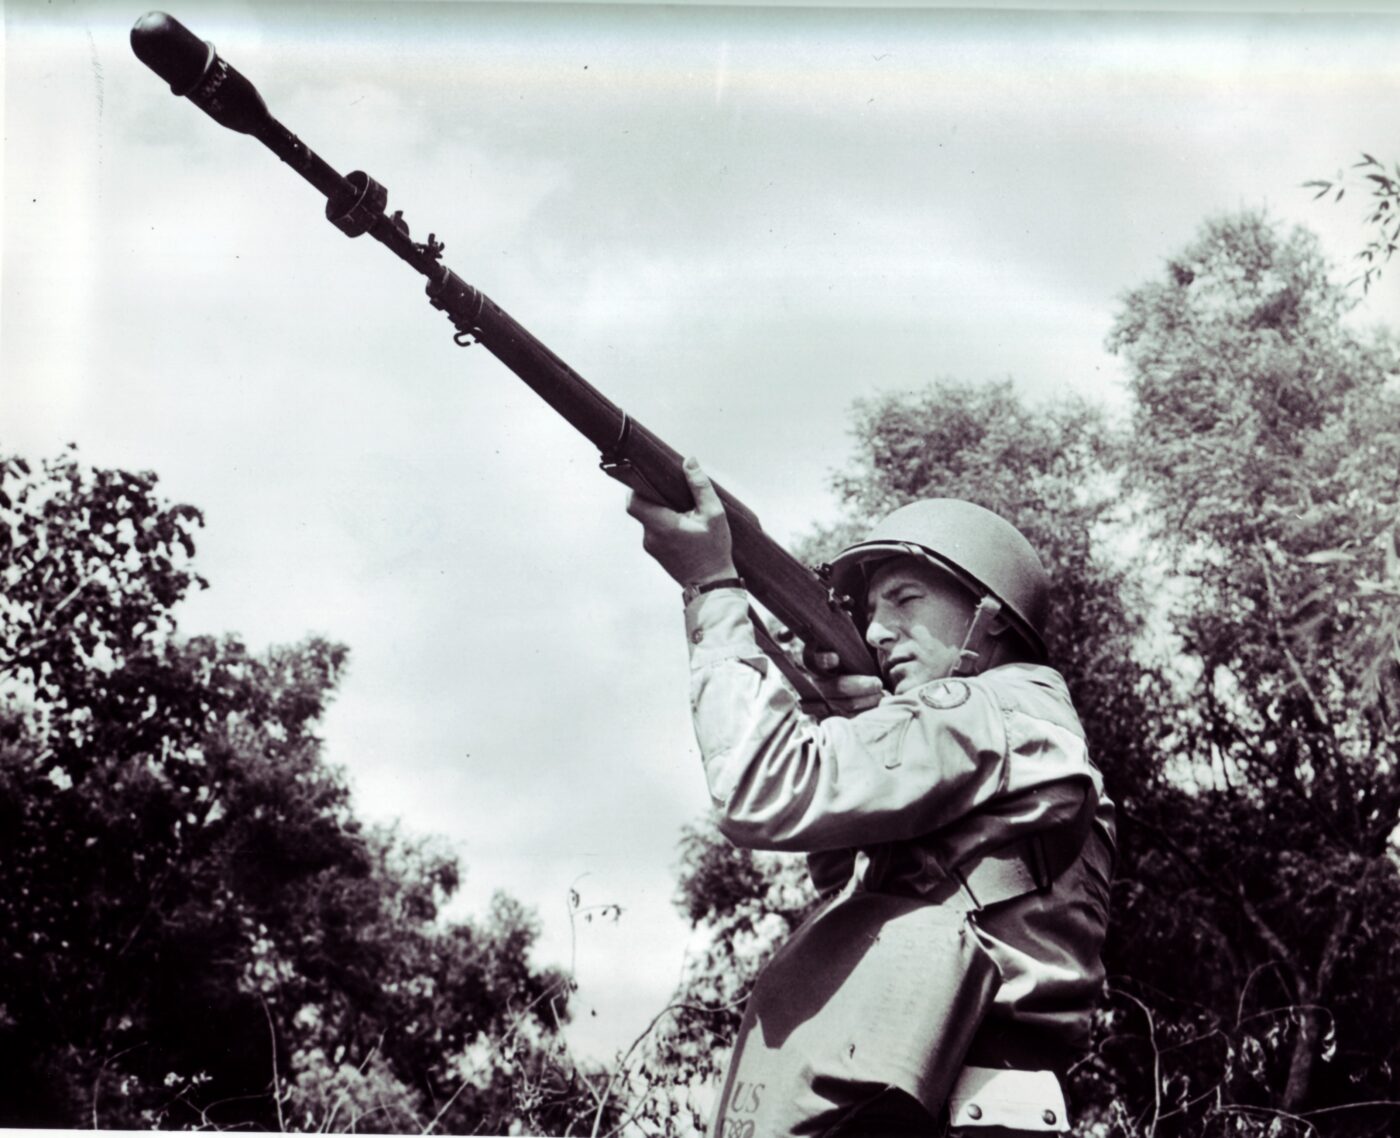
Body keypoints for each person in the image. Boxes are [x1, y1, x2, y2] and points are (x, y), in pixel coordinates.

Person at [625, 459, 1116, 1137]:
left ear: (990, 619)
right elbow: (854, 886)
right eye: (871, 611)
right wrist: (848, 718)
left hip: (938, 1103)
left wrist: (712, 586)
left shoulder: (980, 710)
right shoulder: (1022, 727)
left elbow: (757, 792)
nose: (879, 632)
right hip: (974, 1100)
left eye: (906, 600)